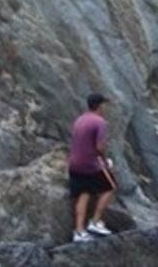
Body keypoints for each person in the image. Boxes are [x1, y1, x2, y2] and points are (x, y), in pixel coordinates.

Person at [67, 93, 116, 242]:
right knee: (110, 187)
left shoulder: (79, 120)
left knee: (84, 193)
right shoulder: (100, 122)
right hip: (89, 165)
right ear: (100, 105)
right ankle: (95, 222)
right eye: (104, 105)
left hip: (74, 164)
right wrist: (105, 161)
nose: (105, 108)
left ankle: (79, 231)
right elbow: (99, 147)